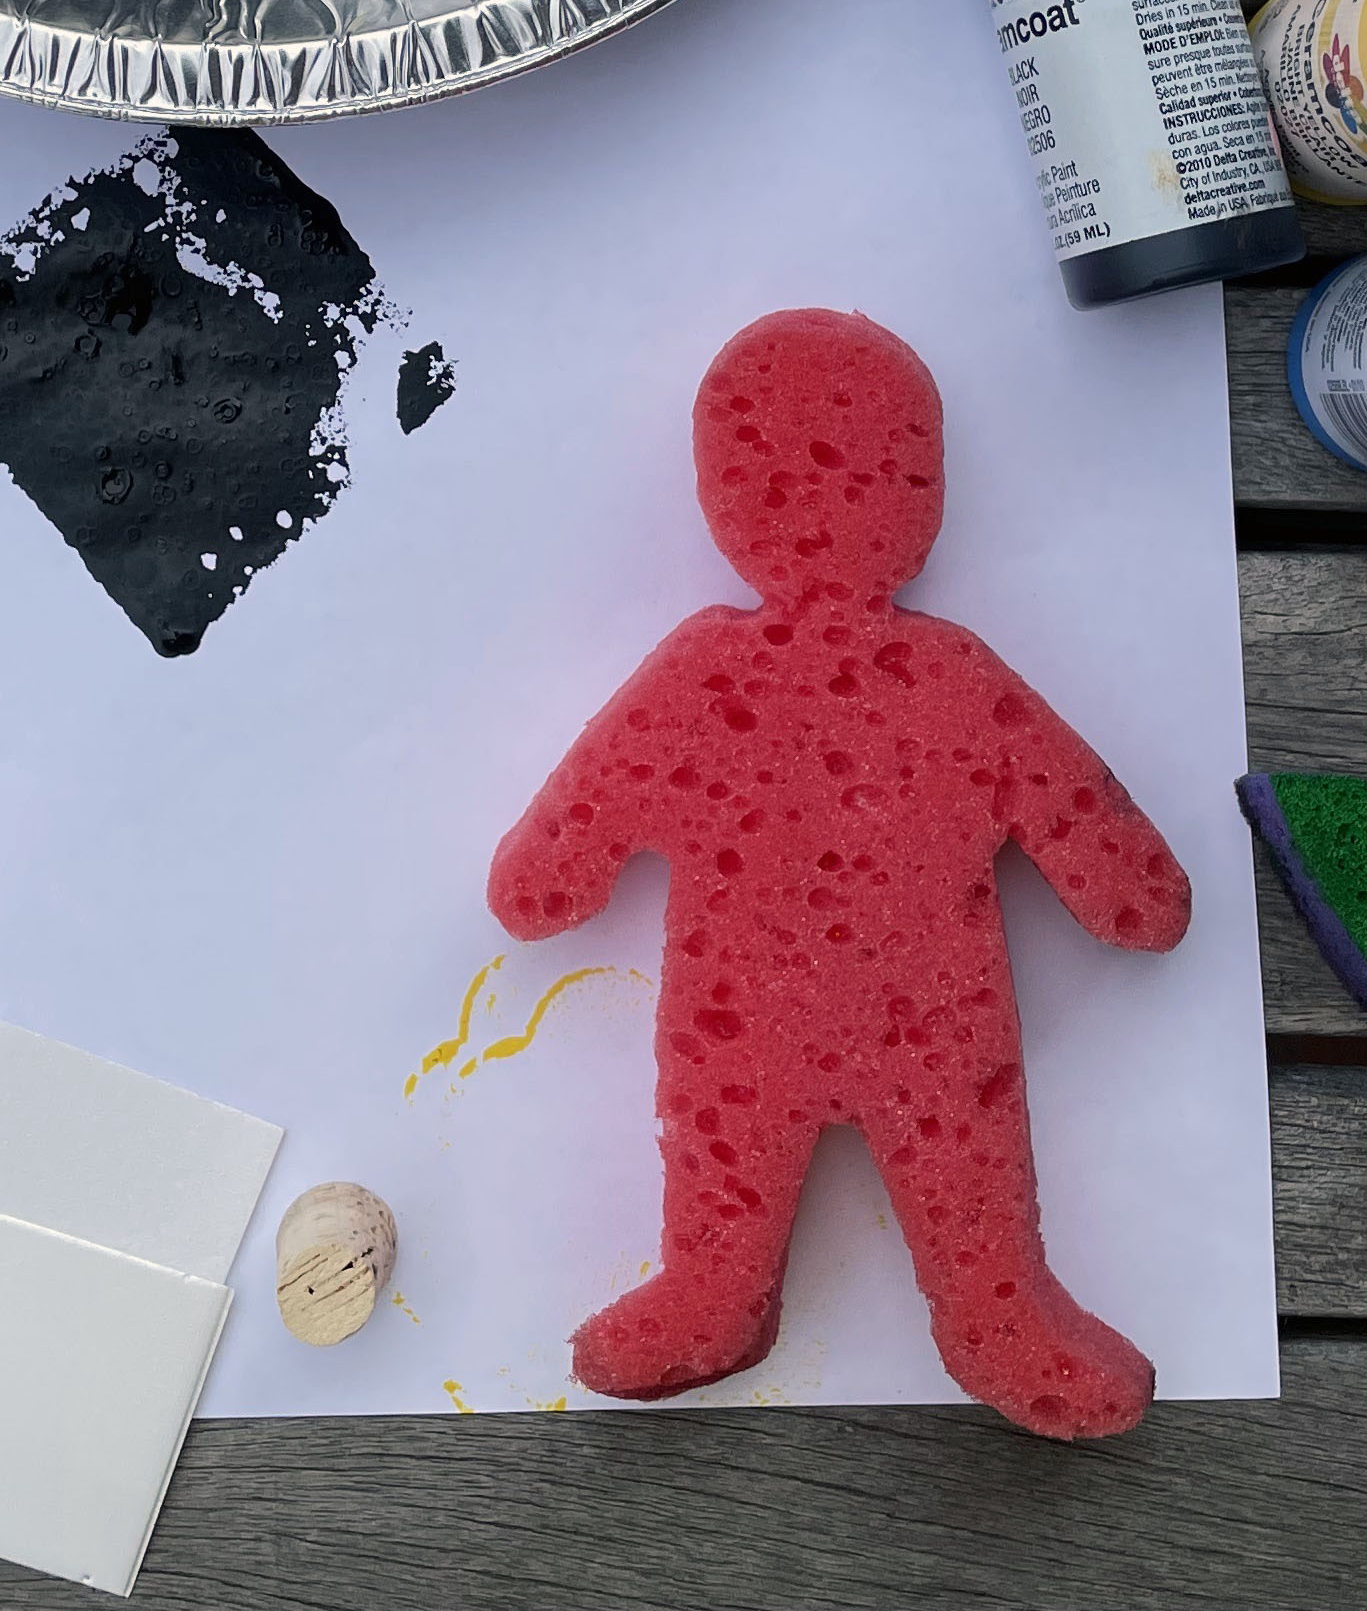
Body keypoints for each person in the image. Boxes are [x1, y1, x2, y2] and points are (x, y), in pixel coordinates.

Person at [488, 307, 1187, 1439]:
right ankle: (724, 1297)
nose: (818, 504)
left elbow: (545, 877)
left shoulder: (938, 677)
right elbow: (565, 847)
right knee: (746, 1187)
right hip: (792, 1021)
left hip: (905, 1019)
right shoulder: (729, 672)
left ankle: (990, 1319)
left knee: (963, 1184)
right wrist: (1130, 890)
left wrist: (546, 874)